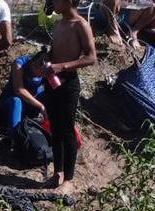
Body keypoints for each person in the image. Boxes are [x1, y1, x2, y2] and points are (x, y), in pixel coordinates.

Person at [44, 0, 97, 188]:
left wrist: (63, 66)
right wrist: (45, 60)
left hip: (68, 82)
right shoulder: (59, 23)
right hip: (52, 80)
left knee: (67, 130)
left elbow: (91, 57)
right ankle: (57, 171)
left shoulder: (81, 25)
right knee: (55, 128)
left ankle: (69, 179)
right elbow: (54, 51)